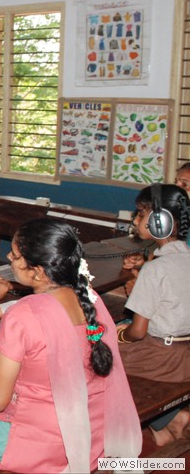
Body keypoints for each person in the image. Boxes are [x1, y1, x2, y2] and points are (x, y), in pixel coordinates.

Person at [0, 219, 141, 473]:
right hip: (92, 434)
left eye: (16, 255)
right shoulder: (91, 299)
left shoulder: (23, 315)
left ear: (39, 271)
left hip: (44, 444)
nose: (9, 256)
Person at [116, 183, 190, 446]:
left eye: (140, 214)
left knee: (97, 357)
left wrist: (118, 335)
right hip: (185, 354)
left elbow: (137, 332)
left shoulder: (155, 270)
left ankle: (157, 430)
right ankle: (172, 418)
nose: (135, 221)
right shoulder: (181, 258)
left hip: (161, 358)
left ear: (159, 221)